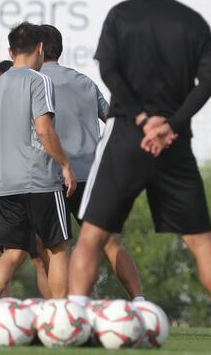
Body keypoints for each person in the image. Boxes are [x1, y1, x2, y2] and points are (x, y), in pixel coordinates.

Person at [67, 0, 211, 352]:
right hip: (174, 143)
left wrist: (144, 118)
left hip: (128, 133)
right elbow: (210, 82)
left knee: (92, 235)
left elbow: (108, 70)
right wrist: (171, 125)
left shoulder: (121, 15)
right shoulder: (195, 23)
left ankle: (73, 323)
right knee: (202, 239)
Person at [39, 24, 144, 301]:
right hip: (91, 172)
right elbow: (112, 121)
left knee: (53, 249)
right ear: (59, 49)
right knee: (108, 242)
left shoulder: (33, 81)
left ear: (37, 49)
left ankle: (59, 309)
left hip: (52, 174)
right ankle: (140, 301)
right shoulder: (85, 82)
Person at [0, 22, 76, 299]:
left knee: (13, 252)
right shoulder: (39, 80)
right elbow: (44, 129)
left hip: (7, 183)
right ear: (41, 48)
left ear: (10, 51)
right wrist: (66, 166)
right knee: (57, 248)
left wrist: (7, 156)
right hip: (41, 180)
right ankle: (61, 315)